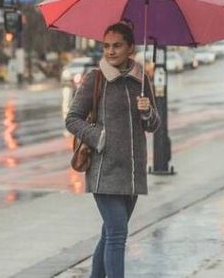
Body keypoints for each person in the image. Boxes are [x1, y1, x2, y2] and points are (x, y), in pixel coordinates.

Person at [66, 22, 160, 278]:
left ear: (131, 48)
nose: (110, 51)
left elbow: (153, 125)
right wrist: (99, 137)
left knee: (110, 233)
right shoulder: (95, 79)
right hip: (104, 171)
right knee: (118, 234)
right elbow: (72, 119)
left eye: (117, 46)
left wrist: (147, 111)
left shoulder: (141, 80)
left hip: (132, 172)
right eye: (106, 46)